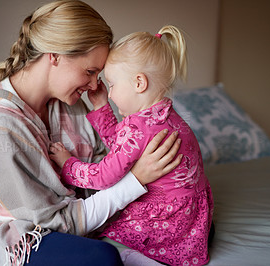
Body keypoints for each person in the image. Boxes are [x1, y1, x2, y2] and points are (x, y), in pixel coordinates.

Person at [0, 1, 182, 266]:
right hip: (13, 234)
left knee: (184, 227)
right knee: (102, 260)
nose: (94, 85)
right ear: (54, 56)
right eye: (90, 72)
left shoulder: (68, 104)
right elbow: (54, 222)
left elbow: (106, 165)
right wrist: (136, 180)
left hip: (71, 215)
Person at [49, 25, 214, 266]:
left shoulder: (138, 126)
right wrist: (102, 107)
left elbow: (104, 177)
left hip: (166, 225)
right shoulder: (166, 116)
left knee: (98, 226)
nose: (110, 92)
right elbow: (123, 148)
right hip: (192, 222)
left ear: (139, 83)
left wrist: (68, 165)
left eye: (113, 84)